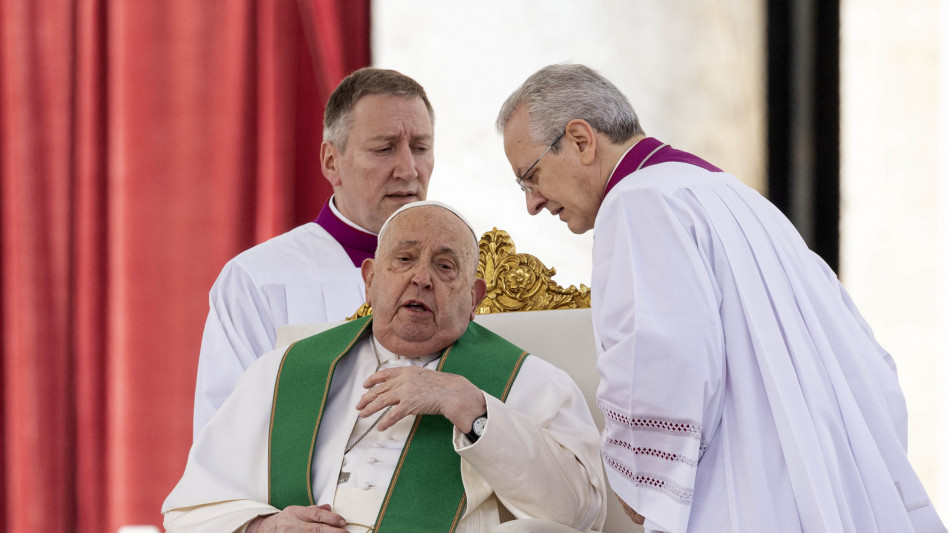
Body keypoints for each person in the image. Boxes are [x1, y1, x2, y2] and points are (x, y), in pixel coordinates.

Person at [496, 63, 947, 532]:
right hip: (821, 482)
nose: (532, 202)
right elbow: (868, 359)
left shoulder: (638, 203)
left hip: (743, 496)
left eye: (530, 176)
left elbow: (664, 355)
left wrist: (646, 477)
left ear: (581, 140)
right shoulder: (739, 197)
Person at [163, 201, 608, 533]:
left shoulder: (532, 383)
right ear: (371, 279)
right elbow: (191, 509)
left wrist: (471, 407)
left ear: (474, 298)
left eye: (445, 266)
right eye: (404, 258)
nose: (421, 278)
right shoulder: (283, 371)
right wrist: (265, 527)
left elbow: (578, 514)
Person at [193, 67, 436, 438]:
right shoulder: (259, 280)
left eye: (420, 148)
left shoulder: (466, 273)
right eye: (384, 148)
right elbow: (223, 435)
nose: (408, 169)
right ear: (330, 162)